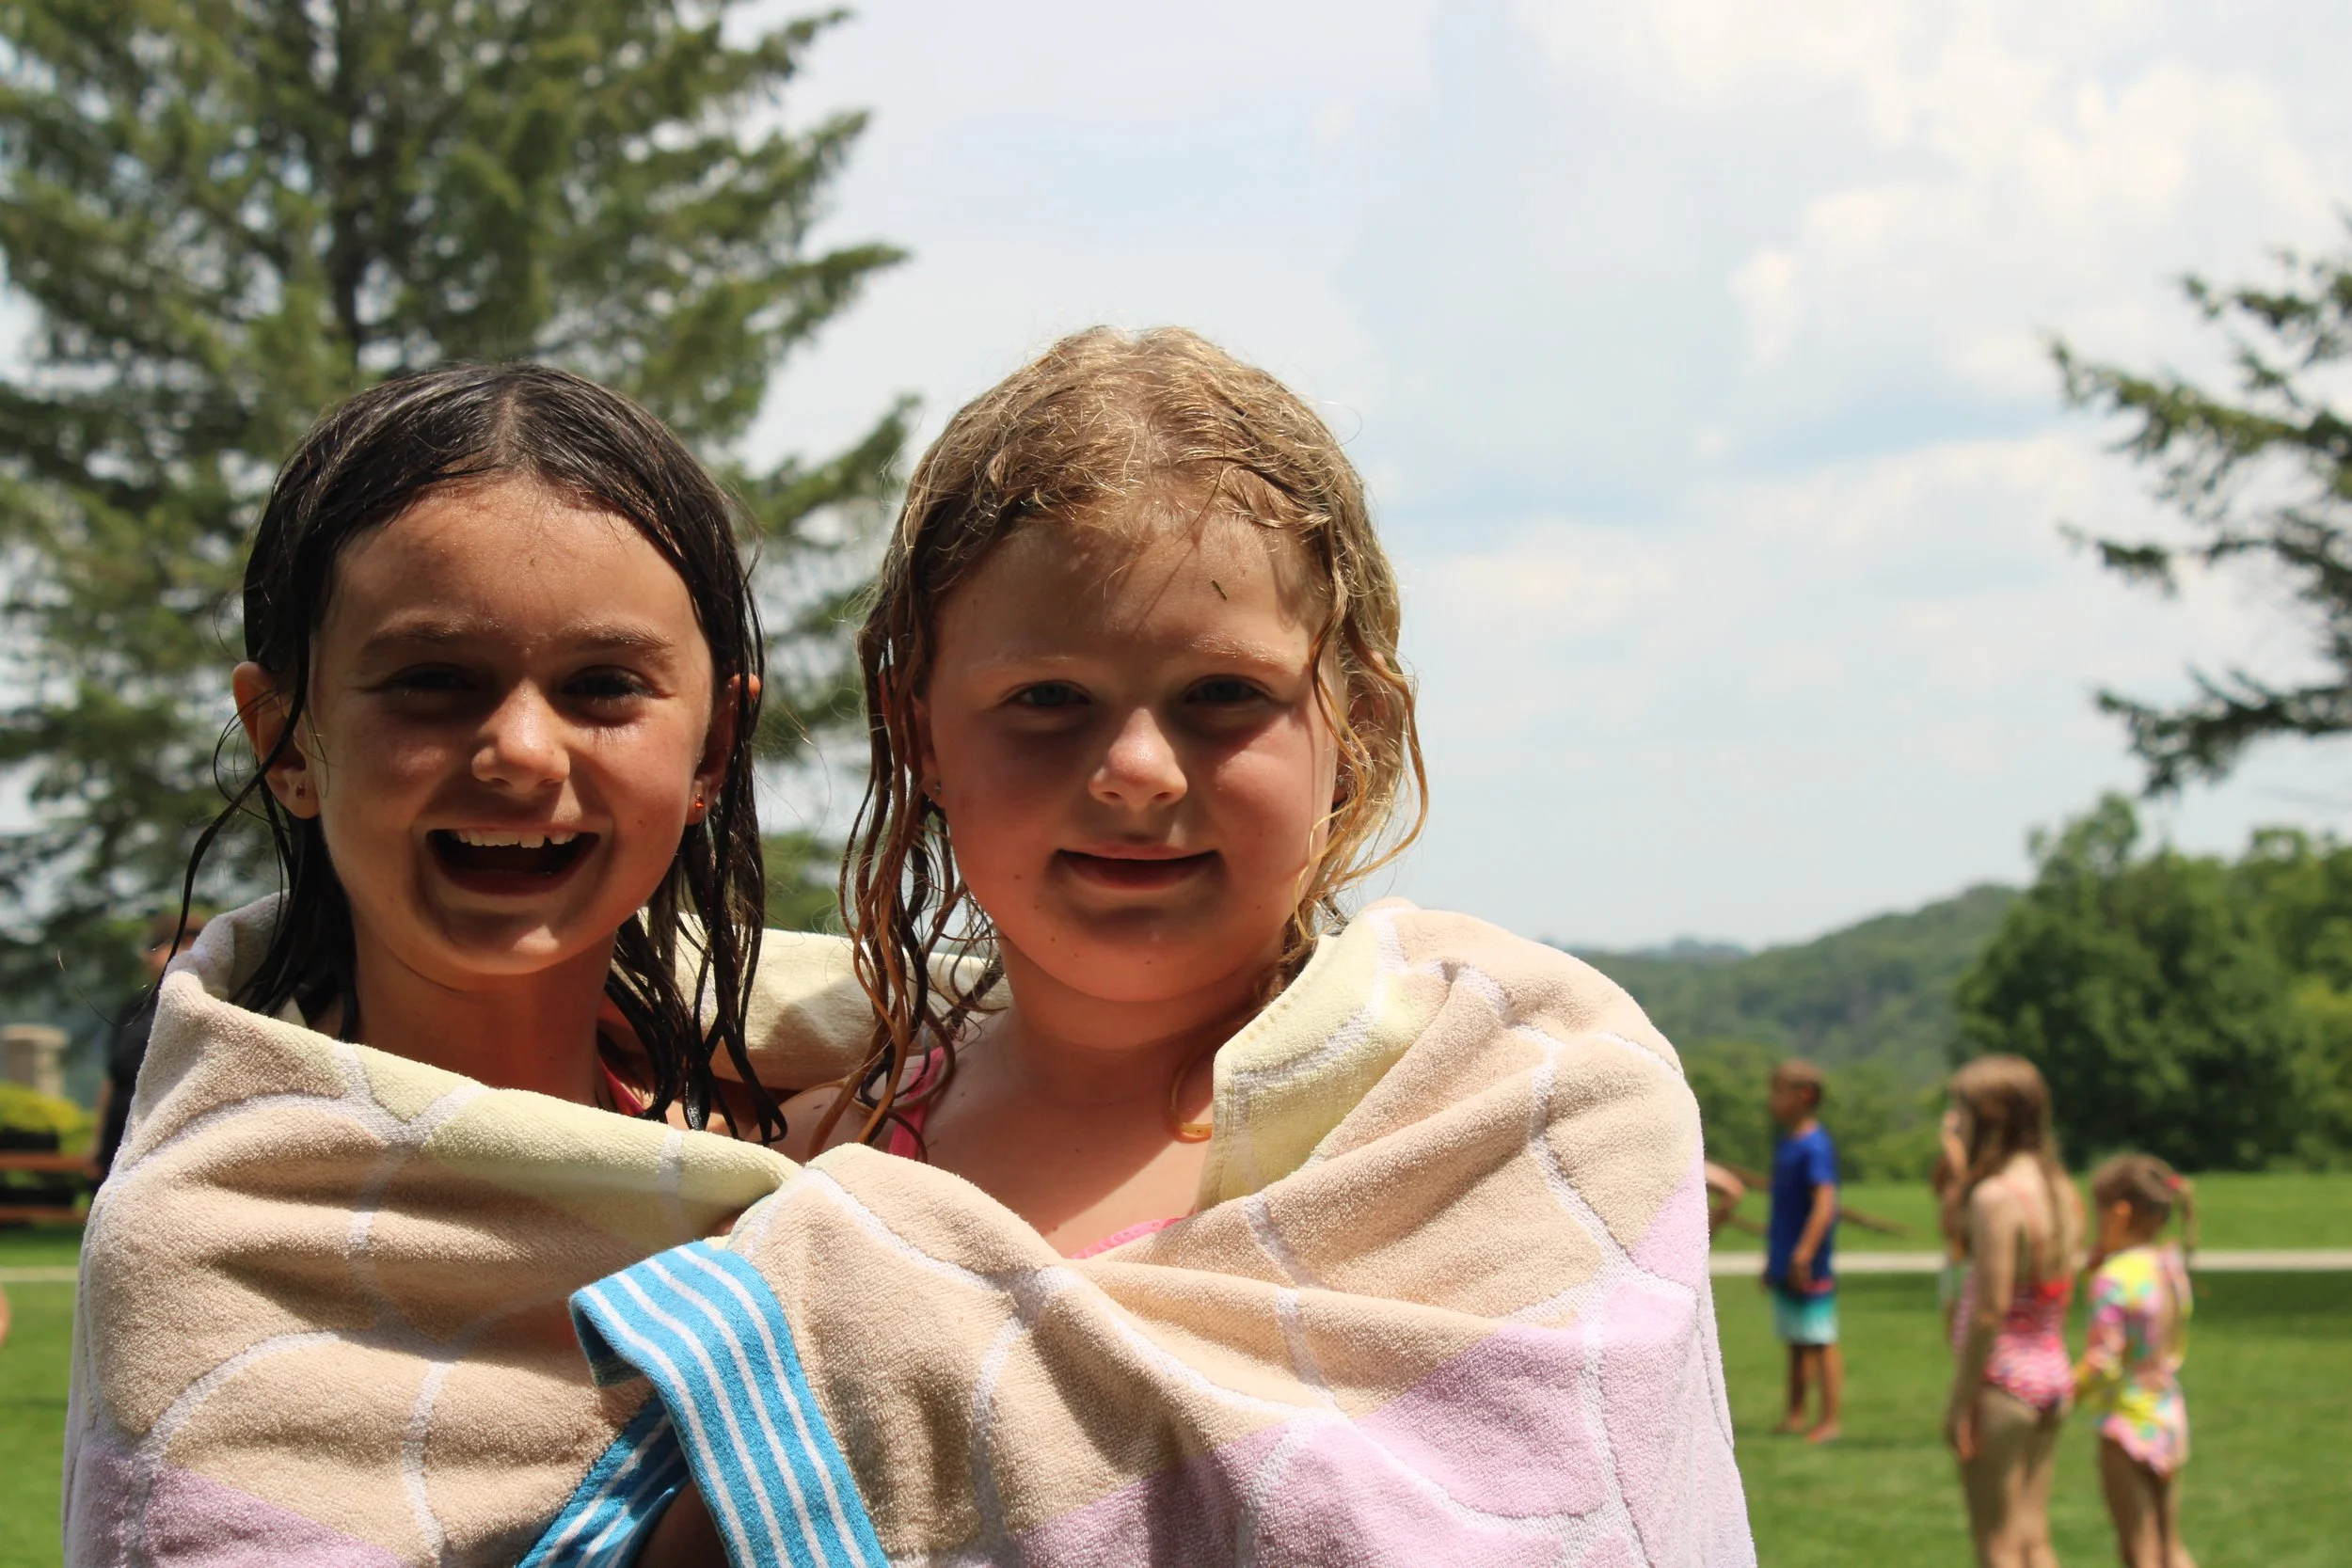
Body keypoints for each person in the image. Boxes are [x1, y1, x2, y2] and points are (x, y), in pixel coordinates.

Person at [1943, 1053, 2084, 1568]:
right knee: (2034, 1539)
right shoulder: (2059, 1186)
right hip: (2052, 1373)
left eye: (1961, 1109)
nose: (1953, 1120)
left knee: (1997, 1545)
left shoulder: (1997, 1197)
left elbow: (1991, 1309)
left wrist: (1961, 1400)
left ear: (1992, 1116)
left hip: (2002, 1380)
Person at [2075, 1155, 2198, 1568]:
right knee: (2170, 1546)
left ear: (2119, 1213)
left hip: (2125, 1420)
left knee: (2138, 1550)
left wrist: (2065, 1393)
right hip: (2167, 1411)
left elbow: (2104, 1360)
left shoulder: (2115, 1276)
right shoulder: (2169, 1265)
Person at [91, 907, 213, 1178]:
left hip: (170, 1147)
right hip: (119, 1141)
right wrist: (97, 1141)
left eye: (157, 945)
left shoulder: (208, 1004)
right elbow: (112, 1079)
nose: (148, 955)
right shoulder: (134, 1007)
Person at [1763, 1057, 1842, 1442]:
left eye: (1778, 1093)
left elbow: (1825, 1203)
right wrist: (1773, 1261)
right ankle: (1796, 1415)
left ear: (1804, 1096)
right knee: (1796, 1340)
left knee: (1820, 1340)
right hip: (1786, 1260)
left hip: (1808, 1264)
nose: (1771, 1101)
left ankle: (1830, 1421)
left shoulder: (1815, 1146)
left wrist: (1804, 1253)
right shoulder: (1788, 1143)